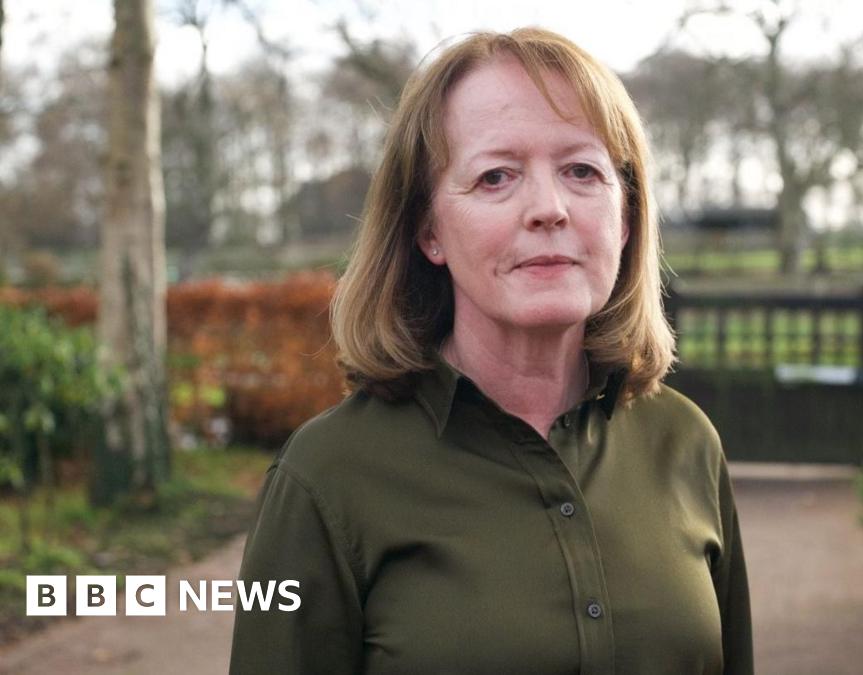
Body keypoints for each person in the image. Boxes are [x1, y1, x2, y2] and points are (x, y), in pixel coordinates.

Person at [229, 27, 754, 675]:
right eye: (496, 176)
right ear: (428, 230)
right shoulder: (326, 478)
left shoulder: (687, 443)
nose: (549, 208)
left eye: (582, 171)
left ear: (625, 217)